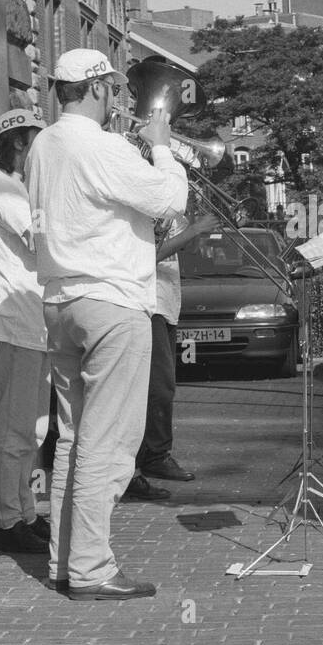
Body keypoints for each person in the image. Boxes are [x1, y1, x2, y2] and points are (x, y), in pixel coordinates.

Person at [25, 48, 187, 601]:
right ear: (95, 88)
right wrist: (161, 149)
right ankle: (92, 569)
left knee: (72, 440)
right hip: (111, 303)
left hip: (59, 302)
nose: (118, 100)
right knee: (108, 444)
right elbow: (170, 198)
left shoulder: (44, 143)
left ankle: (65, 563)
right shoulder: (104, 145)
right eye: (113, 89)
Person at [0, 106, 51, 553]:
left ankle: (23, 511)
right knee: (15, 426)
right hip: (15, 319)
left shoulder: (12, 185)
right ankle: (5, 521)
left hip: (28, 320)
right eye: (38, 141)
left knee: (32, 428)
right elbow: (41, 240)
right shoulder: (1, 188)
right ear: (20, 141)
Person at [129, 209, 221, 495]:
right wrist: (193, 230)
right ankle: (150, 457)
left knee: (163, 387)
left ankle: (153, 455)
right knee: (159, 387)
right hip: (148, 302)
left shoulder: (169, 207)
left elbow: (188, 247)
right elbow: (147, 256)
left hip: (167, 304)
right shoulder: (145, 208)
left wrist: (193, 222)